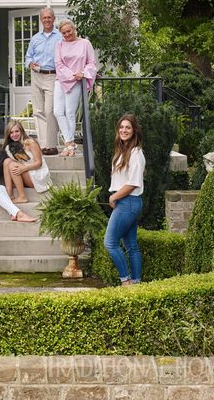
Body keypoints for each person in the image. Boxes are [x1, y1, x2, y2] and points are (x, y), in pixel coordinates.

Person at [103, 114, 145, 286]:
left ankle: (125, 281)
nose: (124, 130)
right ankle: (136, 282)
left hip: (128, 202)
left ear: (134, 130)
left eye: (128, 127)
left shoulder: (136, 153)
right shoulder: (122, 151)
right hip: (125, 202)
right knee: (131, 245)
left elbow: (133, 183)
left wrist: (113, 196)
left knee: (110, 242)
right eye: (121, 127)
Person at [53, 19, 97, 156]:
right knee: (57, 112)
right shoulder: (59, 45)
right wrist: (72, 74)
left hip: (77, 82)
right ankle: (69, 142)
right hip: (61, 80)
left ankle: (69, 147)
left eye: (68, 31)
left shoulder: (85, 43)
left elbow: (92, 63)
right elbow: (58, 64)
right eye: (63, 33)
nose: (67, 34)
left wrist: (83, 74)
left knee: (70, 113)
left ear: (74, 29)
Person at [25, 7, 62, 156]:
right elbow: (28, 56)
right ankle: (43, 145)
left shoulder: (60, 37)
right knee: (38, 111)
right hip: (36, 76)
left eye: (49, 17)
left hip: (52, 76)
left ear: (54, 19)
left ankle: (51, 145)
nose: (47, 20)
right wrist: (30, 63)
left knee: (50, 111)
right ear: (41, 20)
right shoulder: (35, 38)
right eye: (44, 18)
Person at [1, 120, 52, 203]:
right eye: (11, 133)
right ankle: (9, 195)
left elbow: (39, 163)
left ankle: (22, 196)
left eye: (17, 131)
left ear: (21, 131)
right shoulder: (15, 145)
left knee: (13, 166)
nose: (14, 135)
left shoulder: (30, 142)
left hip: (38, 174)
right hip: (28, 172)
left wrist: (23, 168)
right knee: (7, 161)